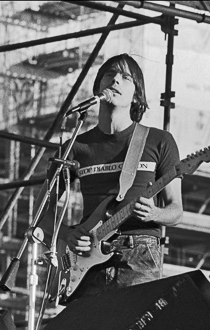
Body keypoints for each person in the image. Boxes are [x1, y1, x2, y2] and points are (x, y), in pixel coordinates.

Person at [47, 53, 183, 301]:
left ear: (137, 95)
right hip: (87, 258)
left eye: (126, 77)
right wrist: (67, 234)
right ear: (98, 86)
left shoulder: (158, 141)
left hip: (139, 253)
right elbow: (42, 214)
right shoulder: (75, 148)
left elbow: (176, 210)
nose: (116, 80)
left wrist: (154, 214)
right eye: (109, 74)